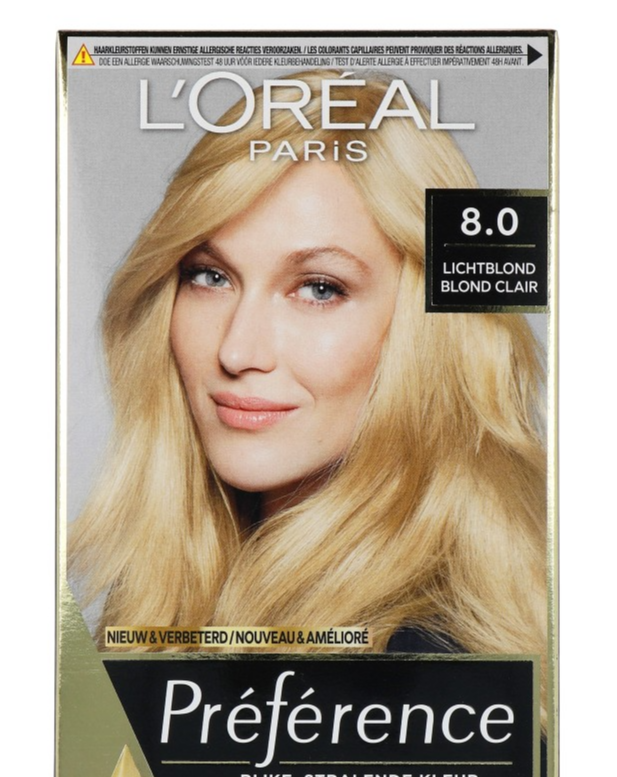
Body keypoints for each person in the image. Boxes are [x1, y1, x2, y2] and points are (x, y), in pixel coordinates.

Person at [70, 70, 546, 687]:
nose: (238, 350)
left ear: (429, 328)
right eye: (210, 276)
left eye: (319, 289)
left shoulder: (415, 674)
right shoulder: (185, 603)